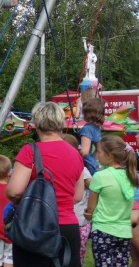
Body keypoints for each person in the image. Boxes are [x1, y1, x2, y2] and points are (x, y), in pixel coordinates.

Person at [6, 101, 84, 267]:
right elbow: (78, 195)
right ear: (61, 122)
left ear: (36, 123)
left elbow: (14, 191)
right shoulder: (75, 154)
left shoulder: (30, 151)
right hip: (67, 226)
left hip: (35, 227)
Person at [85, 135, 138, 267]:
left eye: (99, 152)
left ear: (109, 155)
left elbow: (91, 206)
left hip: (103, 230)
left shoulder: (100, 176)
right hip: (124, 231)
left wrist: (89, 214)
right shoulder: (131, 175)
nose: (97, 155)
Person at [62, 133, 92, 266]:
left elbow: (94, 187)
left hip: (79, 221)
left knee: (76, 256)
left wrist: (91, 207)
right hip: (64, 219)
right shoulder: (59, 167)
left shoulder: (81, 169)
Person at [79, 97, 105, 175]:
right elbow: (99, 148)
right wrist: (93, 160)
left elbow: (85, 151)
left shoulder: (86, 129)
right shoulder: (97, 128)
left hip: (86, 164)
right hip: (93, 164)